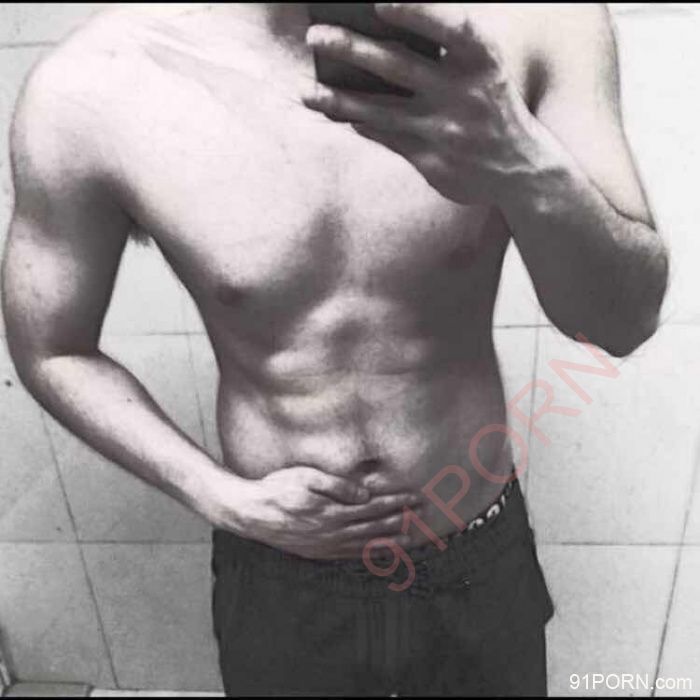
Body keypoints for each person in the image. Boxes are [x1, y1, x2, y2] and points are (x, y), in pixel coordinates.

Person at [2, 3, 668, 696]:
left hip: (473, 556)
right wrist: (218, 496)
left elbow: (621, 323)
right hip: (282, 571)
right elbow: (52, 348)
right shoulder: (93, 87)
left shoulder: (540, 23)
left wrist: (519, 160)